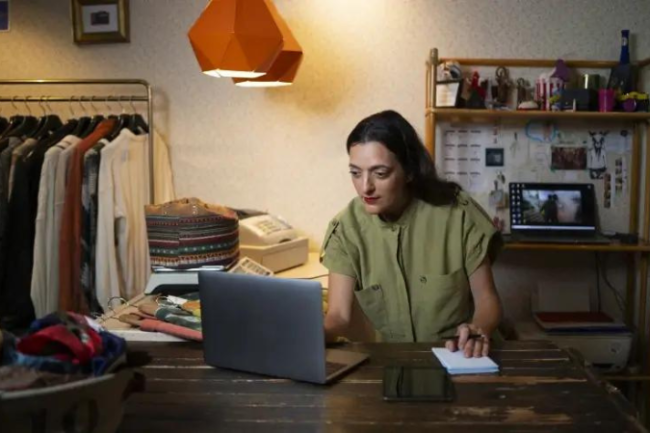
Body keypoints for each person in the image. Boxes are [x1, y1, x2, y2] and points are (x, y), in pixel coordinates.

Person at [320, 110, 503, 358]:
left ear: (409, 170)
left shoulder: (459, 215)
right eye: (355, 173)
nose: (365, 187)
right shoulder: (345, 229)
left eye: (380, 173)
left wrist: (477, 329)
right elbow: (339, 316)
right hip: (392, 364)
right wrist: (311, 334)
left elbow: (487, 301)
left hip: (459, 358)